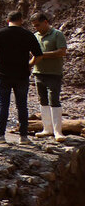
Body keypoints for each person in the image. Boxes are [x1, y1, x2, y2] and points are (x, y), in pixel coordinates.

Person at [0, 11, 43, 145]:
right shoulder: (28, 35)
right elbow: (39, 56)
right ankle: (23, 136)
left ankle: (0, 135)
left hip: (3, 74)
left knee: (3, 105)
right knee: (22, 105)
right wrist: (29, 64)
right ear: (21, 20)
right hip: (22, 75)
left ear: (7, 20)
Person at [31, 13, 69, 141]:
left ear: (46, 22)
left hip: (54, 73)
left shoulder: (57, 34)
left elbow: (62, 51)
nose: (36, 28)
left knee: (54, 99)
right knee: (42, 100)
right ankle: (47, 129)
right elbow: (33, 54)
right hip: (39, 72)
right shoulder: (35, 36)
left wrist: (42, 55)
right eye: (34, 26)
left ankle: (58, 131)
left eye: (38, 25)